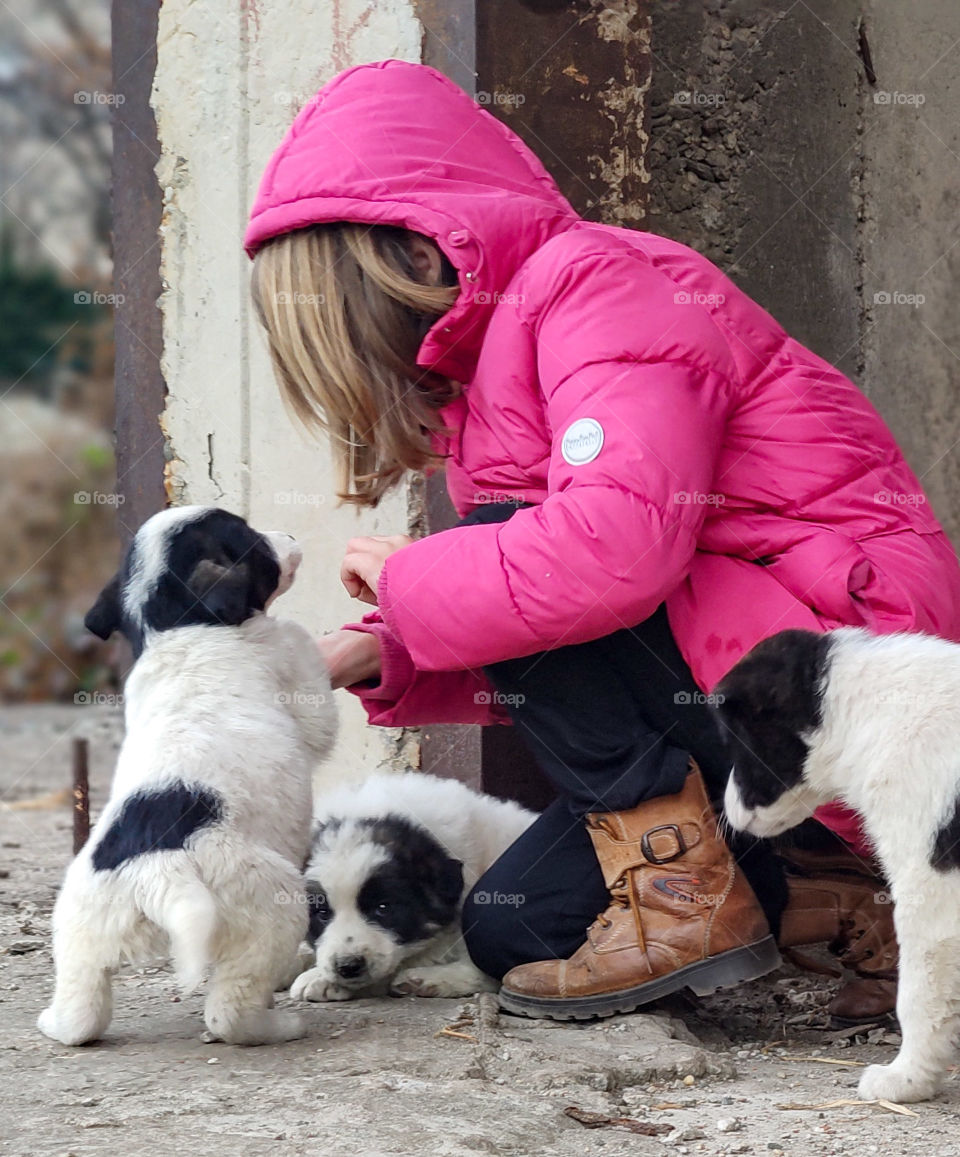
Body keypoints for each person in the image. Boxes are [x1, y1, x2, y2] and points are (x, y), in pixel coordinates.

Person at [243, 60, 960, 1020]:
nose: (370, 367)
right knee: (512, 932)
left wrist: (418, 583)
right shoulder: (490, 372)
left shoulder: (596, 282)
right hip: (729, 659)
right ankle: (824, 887)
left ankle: (686, 884)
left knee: (503, 542)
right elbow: (568, 640)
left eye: (349, 327)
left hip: (835, 656)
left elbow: (608, 555)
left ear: (414, 255)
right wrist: (390, 647)